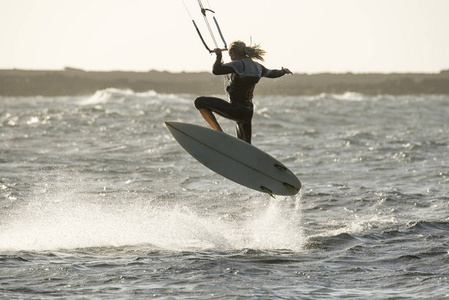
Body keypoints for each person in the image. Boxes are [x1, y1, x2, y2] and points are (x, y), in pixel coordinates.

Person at [194, 40, 292, 144]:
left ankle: (218, 132)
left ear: (233, 54)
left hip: (235, 109)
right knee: (245, 145)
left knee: (199, 102)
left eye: (230, 55)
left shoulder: (238, 64)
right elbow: (273, 73)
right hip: (248, 112)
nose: (231, 58)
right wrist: (283, 71)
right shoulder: (258, 67)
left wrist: (218, 56)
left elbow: (216, 70)